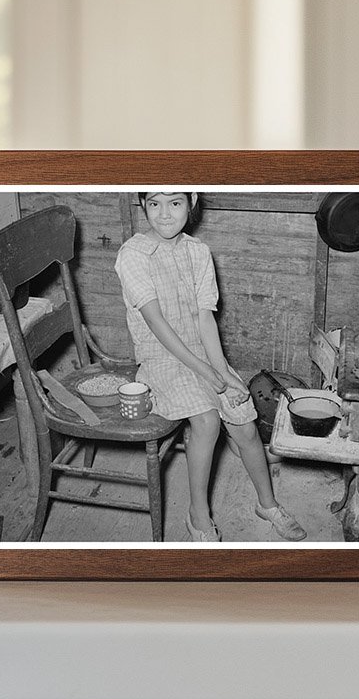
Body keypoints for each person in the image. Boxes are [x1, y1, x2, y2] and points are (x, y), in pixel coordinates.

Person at [114, 191, 306, 542]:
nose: (164, 215)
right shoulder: (133, 254)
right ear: (143, 205)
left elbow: (205, 321)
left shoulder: (198, 252)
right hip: (162, 360)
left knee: (244, 421)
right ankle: (198, 516)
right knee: (206, 419)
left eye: (175, 203)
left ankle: (267, 503)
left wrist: (223, 373)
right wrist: (207, 375)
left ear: (192, 202)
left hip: (203, 355)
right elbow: (158, 326)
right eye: (153, 204)